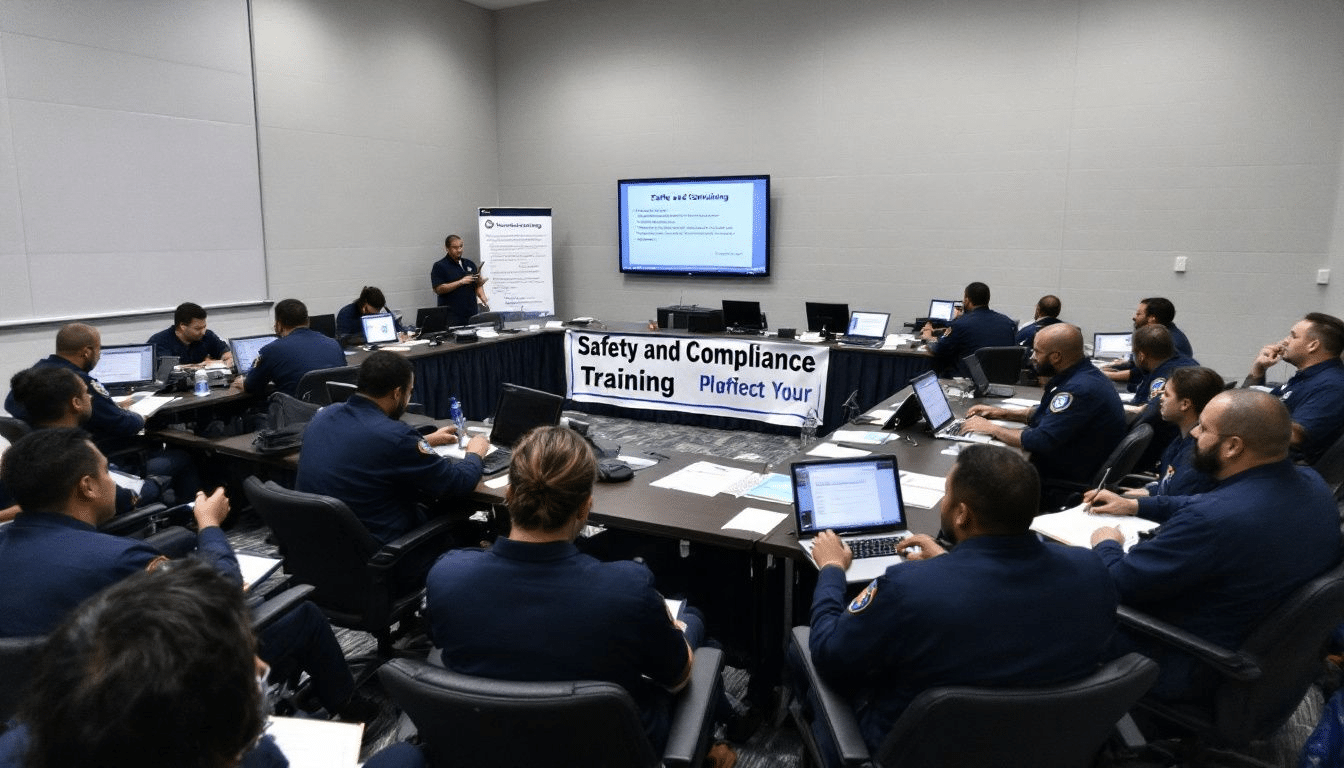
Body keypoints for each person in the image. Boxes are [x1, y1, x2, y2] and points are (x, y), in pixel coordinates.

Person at [0, 428, 374, 723]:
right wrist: (209, 525)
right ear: (87, 486)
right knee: (301, 614)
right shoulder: (117, 559)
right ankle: (350, 707)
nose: (113, 480)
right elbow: (219, 596)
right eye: (106, 470)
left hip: (42, 712)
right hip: (144, 697)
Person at [803, 445, 1117, 762]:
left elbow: (831, 656)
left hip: (914, 751)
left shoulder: (908, 588)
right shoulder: (1091, 570)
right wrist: (948, 563)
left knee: (801, 644)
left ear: (962, 513)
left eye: (947, 493)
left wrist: (831, 569)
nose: (944, 501)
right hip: (1045, 747)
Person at [425, 425, 700, 752]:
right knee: (693, 621)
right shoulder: (627, 589)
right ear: (585, 507)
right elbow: (677, 678)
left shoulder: (448, 574)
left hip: (487, 745)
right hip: (608, 751)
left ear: (509, 495)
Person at [0, 559, 424, 768]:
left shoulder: (19, 743)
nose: (260, 668)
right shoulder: (248, 755)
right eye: (245, 659)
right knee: (404, 759)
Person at [1089, 389, 1341, 700]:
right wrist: (1136, 506)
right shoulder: (1312, 484)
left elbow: (1118, 582)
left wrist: (1107, 543)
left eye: (1205, 428)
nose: (1194, 432)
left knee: (1061, 598)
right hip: (1254, 651)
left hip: (1183, 657)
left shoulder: (1213, 521)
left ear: (1233, 446)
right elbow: (1204, 501)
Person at [296, 352, 489, 581]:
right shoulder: (396, 437)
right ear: (397, 393)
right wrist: (474, 453)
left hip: (324, 556)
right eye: (409, 391)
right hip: (388, 559)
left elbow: (367, 445)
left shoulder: (322, 417)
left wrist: (424, 440)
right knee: (469, 526)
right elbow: (456, 484)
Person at [3, 323, 198, 501]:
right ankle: (191, 517)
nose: (98, 355)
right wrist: (140, 415)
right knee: (184, 455)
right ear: (87, 352)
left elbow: (11, 404)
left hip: (52, 467)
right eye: (98, 350)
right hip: (105, 459)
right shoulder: (79, 382)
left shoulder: (35, 375)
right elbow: (126, 424)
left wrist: (107, 407)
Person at [959, 323, 1127, 499]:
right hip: (1075, 463)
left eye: (1037, 352)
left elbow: (1040, 440)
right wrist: (1000, 413)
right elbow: (1048, 413)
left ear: (1056, 357)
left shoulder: (1078, 390)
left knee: (979, 472)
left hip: (1062, 481)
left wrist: (992, 429)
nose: (1032, 357)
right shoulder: (1084, 376)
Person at [4, 367, 167, 520]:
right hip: (110, 517)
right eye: (85, 392)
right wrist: (156, 484)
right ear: (76, 403)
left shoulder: (21, 451)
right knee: (168, 473)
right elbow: (125, 499)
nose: (90, 396)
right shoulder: (77, 455)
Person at [1084, 366, 1223, 522]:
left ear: (1185, 404)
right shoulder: (1181, 440)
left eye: (1167, 394)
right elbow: (1165, 487)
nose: (1160, 398)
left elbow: (1175, 505)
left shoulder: (1197, 456)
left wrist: (1130, 504)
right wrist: (1122, 497)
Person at [1242, 312, 1344, 463]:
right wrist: (1258, 370)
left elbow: (1294, 436)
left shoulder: (1332, 385)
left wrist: (1237, 422)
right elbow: (1247, 401)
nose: (1285, 341)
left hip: (1284, 470)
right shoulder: (1307, 377)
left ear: (1313, 345)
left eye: (1293, 336)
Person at [232, 298, 346, 398]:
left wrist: (244, 383)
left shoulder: (272, 350)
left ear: (278, 325)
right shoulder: (334, 344)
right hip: (331, 413)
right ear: (308, 321)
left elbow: (251, 386)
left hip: (296, 414)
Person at [1125, 324, 1199, 468]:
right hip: (1176, 444)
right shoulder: (1187, 363)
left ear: (1141, 355)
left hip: (1153, 451)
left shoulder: (1165, 378)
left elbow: (1146, 416)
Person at [919, 282, 1016, 377]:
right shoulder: (1008, 322)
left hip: (967, 380)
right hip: (1001, 379)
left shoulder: (960, 324)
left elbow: (939, 348)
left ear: (967, 300)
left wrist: (928, 337)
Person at [1102, 297, 1193, 387]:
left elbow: (1140, 374)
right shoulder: (1162, 334)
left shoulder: (1167, 342)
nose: (1133, 317)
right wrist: (1116, 366)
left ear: (1152, 319)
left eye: (1138, 314)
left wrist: (1106, 374)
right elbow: (1138, 366)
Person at [146, 301, 233, 366]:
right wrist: (201, 366)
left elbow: (229, 356)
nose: (203, 332)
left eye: (204, 326)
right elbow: (169, 371)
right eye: (197, 328)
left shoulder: (207, 336)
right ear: (183, 326)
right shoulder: (159, 341)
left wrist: (223, 361)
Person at [430, 234, 489, 327]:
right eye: (455, 247)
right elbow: (439, 289)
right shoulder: (440, 266)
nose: (459, 250)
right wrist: (460, 282)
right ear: (447, 248)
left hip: (471, 314)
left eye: (461, 246)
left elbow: (477, 286)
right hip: (452, 317)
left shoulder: (469, 263)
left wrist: (482, 295)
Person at [335, 285, 407, 341]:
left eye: (377, 311)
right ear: (364, 303)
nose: (375, 314)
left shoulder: (380, 311)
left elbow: (399, 330)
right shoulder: (346, 313)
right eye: (370, 312)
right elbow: (343, 339)